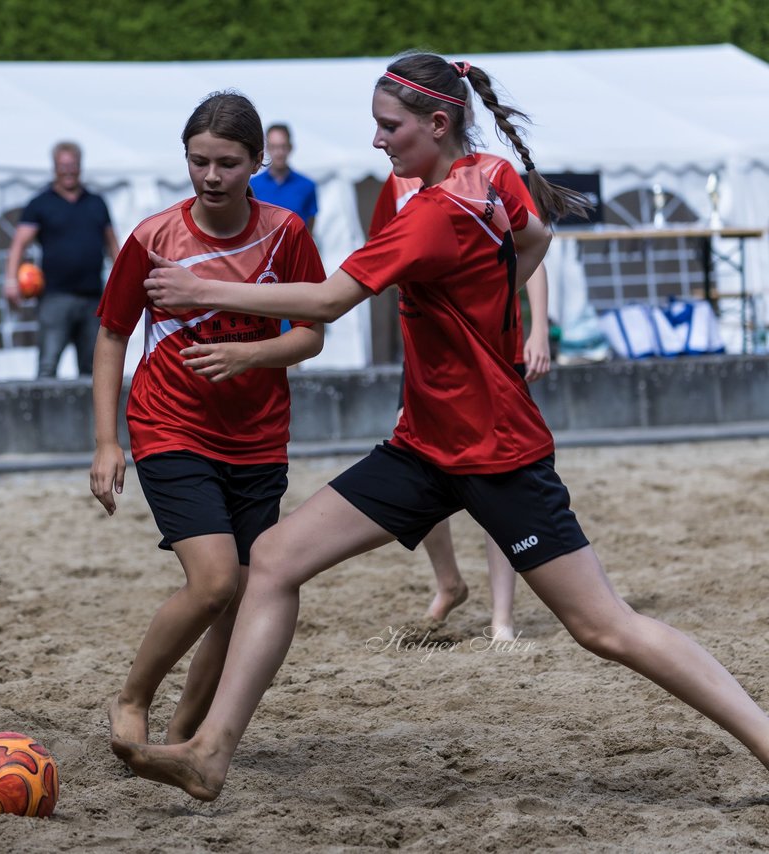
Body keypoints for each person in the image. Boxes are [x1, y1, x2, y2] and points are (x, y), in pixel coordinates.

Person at [112, 53, 769, 801]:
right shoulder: (492, 176)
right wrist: (485, 312)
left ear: (437, 122)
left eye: (388, 128)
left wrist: (200, 285)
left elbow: (328, 304)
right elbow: (534, 240)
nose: (377, 141)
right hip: (423, 445)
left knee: (603, 627)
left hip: (494, 450)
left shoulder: (428, 217)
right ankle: (210, 753)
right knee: (274, 559)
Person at [92, 92, 325, 749]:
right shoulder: (153, 237)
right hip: (170, 427)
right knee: (216, 580)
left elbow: (311, 335)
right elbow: (112, 334)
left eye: (227, 163)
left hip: (258, 437)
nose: (212, 177)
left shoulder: (287, 233)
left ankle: (183, 736)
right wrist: (107, 441)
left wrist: (250, 353)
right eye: (199, 162)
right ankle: (132, 699)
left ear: (258, 162)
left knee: (246, 594)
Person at [373, 154, 554, 641]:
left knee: (498, 477)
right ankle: (449, 582)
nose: (382, 139)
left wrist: (539, 331)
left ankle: (502, 618)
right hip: (431, 359)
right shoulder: (397, 180)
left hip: (492, 349)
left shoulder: (492, 173)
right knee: (417, 459)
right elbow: (384, 259)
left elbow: (531, 247)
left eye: (391, 125)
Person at [5, 141, 119, 378]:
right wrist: (10, 281)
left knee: (93, 370)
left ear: (80, 166)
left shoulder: (96, 202)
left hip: (93, 300)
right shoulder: (40, 203)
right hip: (54, 299)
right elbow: (19, 243)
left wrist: (121, 285)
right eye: (62, 165)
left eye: (73, 165)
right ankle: (40, 416)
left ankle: (92, 416)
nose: (68, 170)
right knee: (48, 366)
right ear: (54, 167)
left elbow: (112, 245)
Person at [249, 124, 318, 235]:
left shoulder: (307, 185)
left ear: (290, 147)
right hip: (263, 250)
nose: (279, 152)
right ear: (267, 148)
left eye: (283, 146)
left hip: (296, 249)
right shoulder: (253, 185)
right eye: (274, 147)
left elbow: (310, 229)